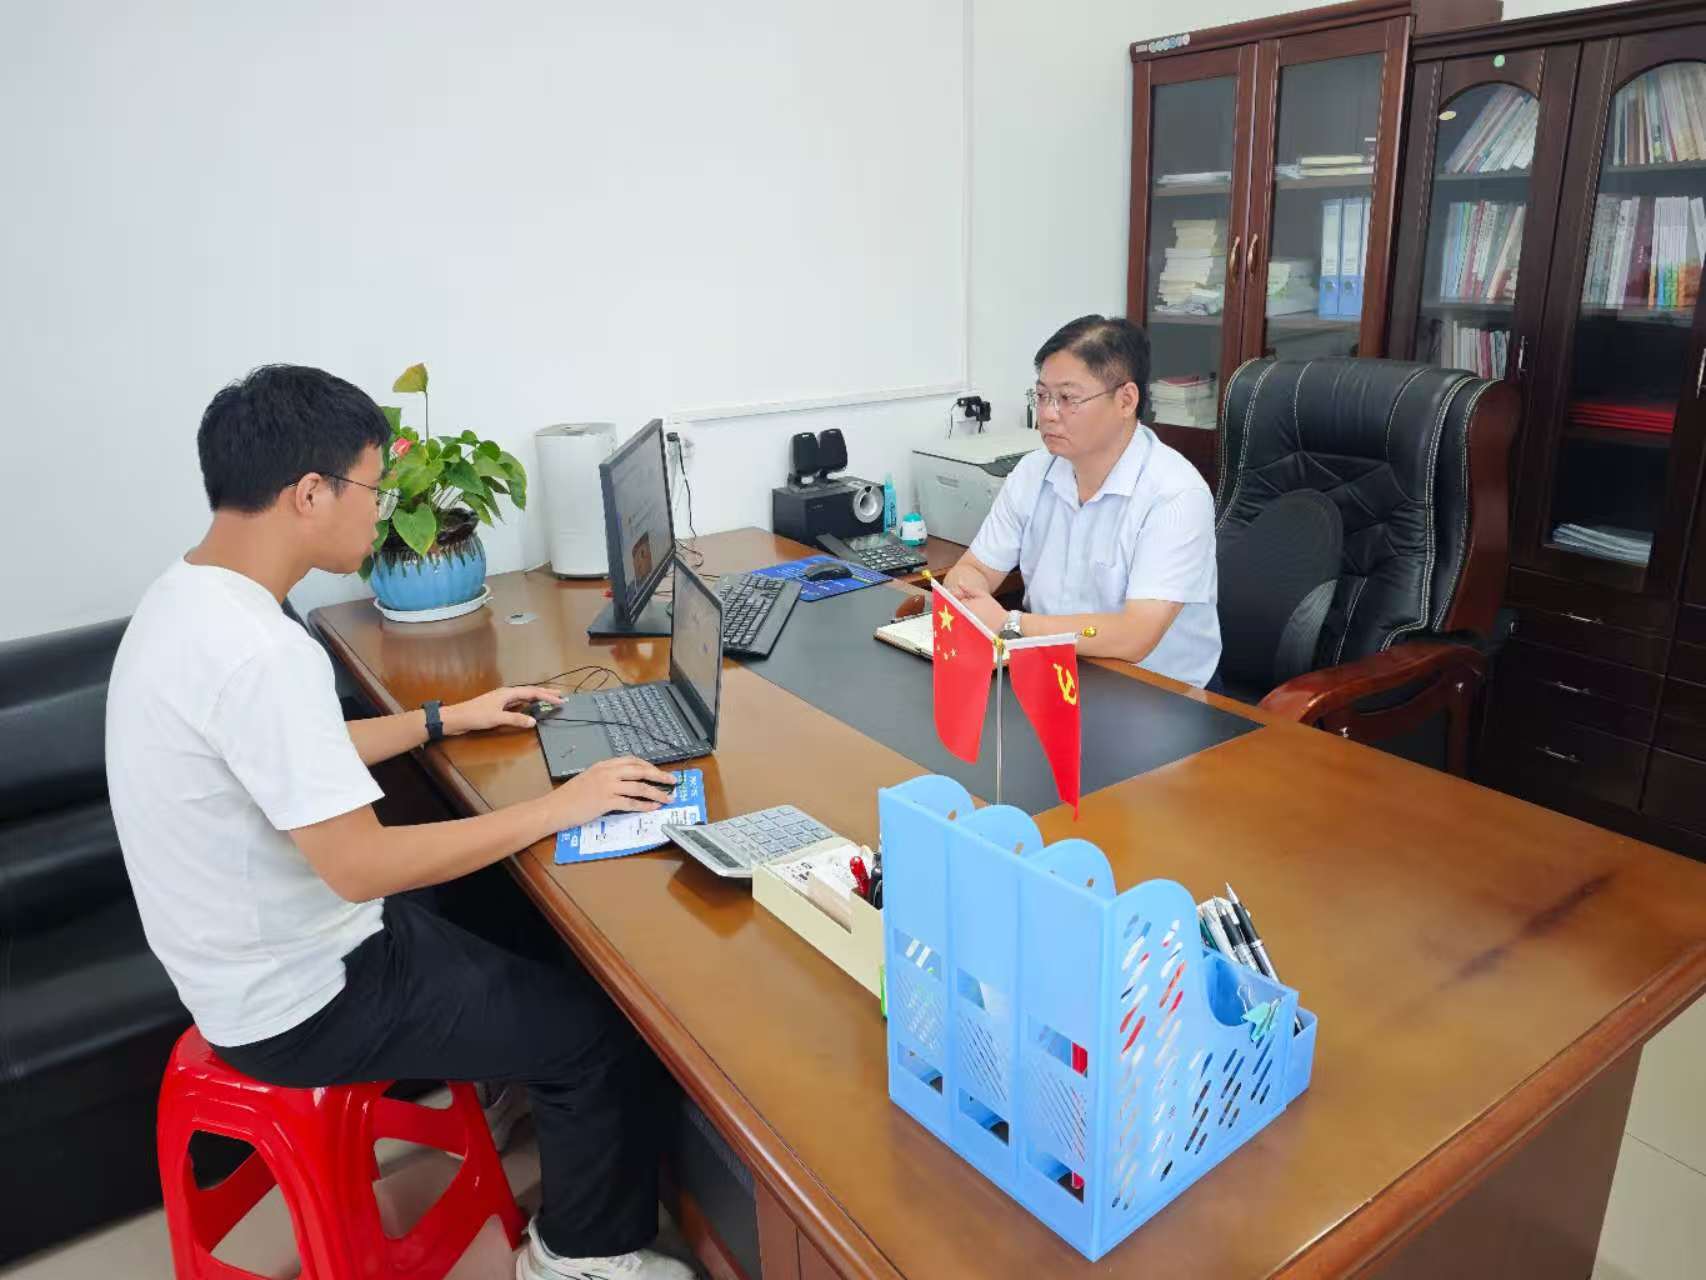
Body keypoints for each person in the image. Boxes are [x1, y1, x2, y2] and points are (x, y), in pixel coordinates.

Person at [105, 365, 693, 1280]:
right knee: (595, 1031)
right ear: (310, 494)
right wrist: (559, 805)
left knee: (519, 911)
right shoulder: (260, 651)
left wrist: (442, 720)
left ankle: (512, 1079)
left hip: (255, 957)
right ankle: (579, 1257)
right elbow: (361, 867)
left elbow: (292, 754)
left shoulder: (189, 598)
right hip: (306, 996)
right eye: (373, 489)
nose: (382, 514)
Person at [943, 315, 1221, 687]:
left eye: (1067, 399)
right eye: (1042, 396)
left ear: (1126, 400)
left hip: (1157, 691)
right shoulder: (1033, 472)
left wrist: (1012, 624)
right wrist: (967, 594)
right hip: (1054, 673)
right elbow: (974, 568)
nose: (1047, 414)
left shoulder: (1175, 494)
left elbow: (1135, 636)